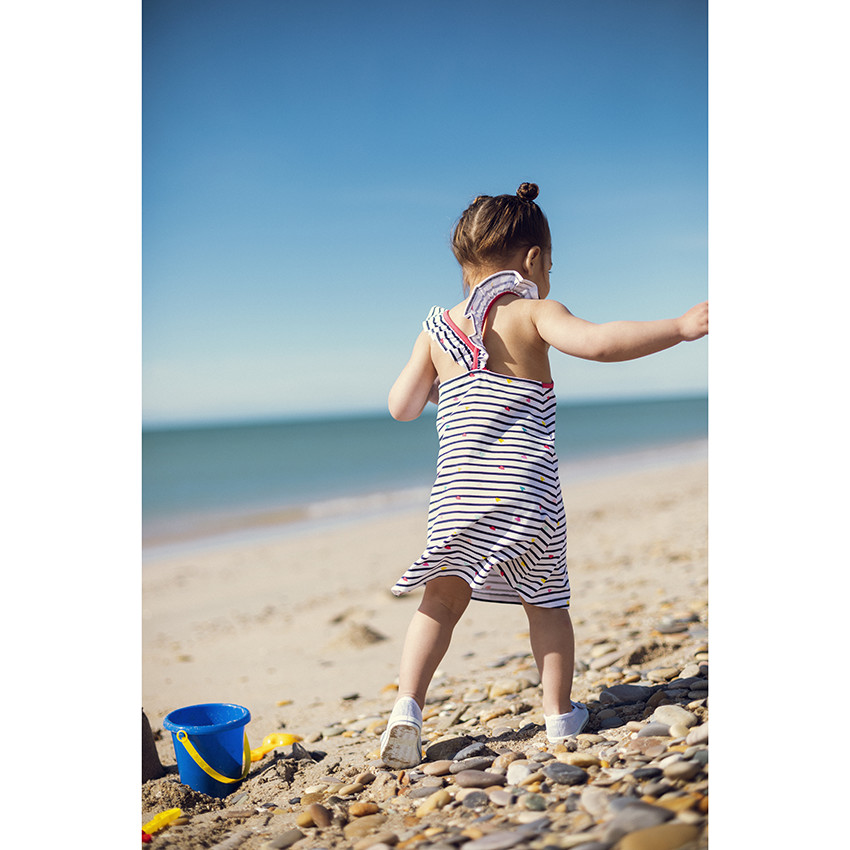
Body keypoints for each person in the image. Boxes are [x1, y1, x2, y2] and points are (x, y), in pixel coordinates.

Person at [380, 182, 708, 769]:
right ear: (533, 259)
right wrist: (679, 328)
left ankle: (407, 709)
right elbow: (601, 344)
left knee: (441, 600)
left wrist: (442, 386)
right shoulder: (534, 310)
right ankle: (559, 717)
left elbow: (402, 407)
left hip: (457, 498)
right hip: (527, 496)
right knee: (547, 604)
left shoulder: (435, 328)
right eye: (550, 265)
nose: (549, 276)